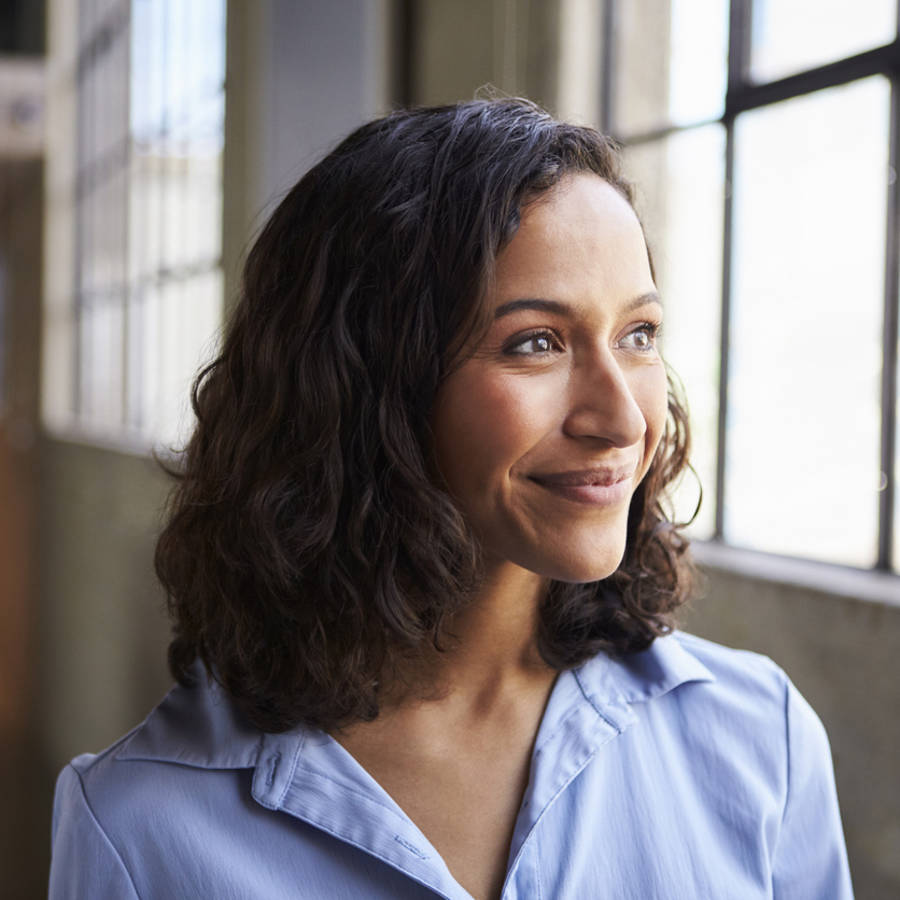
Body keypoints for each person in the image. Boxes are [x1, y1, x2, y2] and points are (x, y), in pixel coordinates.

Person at [48, 98, 853, 900]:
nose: (621, 419)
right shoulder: (138, 827)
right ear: (369, 383)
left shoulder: (760, 745)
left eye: (637, 335)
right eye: (535, 343)